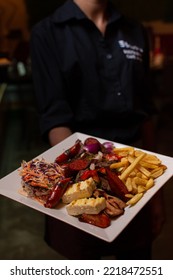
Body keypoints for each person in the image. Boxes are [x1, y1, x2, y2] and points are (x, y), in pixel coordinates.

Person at [30, 0, 164, 259]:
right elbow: (55, 118)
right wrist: (89, 187)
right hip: (78, 175)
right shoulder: (48, 32)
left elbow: (145, 112)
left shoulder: (135, 30)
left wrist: (156, 196)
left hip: (135, 178)